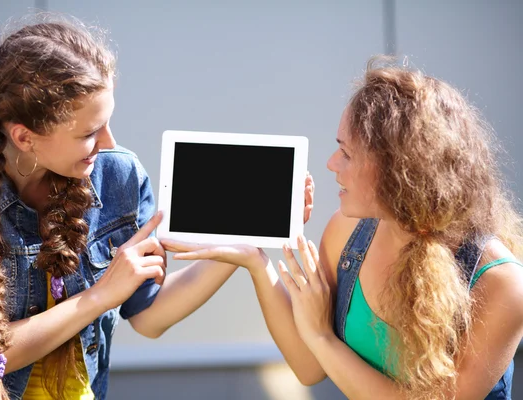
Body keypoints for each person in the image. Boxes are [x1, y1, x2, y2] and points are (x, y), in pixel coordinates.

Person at [0, 18, 315, 400]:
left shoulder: (118, 175)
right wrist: (99, 296)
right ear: (25, 137)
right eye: (89, 133)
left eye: (107, 122)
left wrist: (245, 241)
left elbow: (148, 315)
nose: (109, 143)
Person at [163, 57, 523, 399]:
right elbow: (309, 367)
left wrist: (323, 336)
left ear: (403, 170)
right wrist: (256, 263)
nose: (332, 164)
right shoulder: (346, 235)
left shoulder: (501, 282)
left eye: (348, 154)